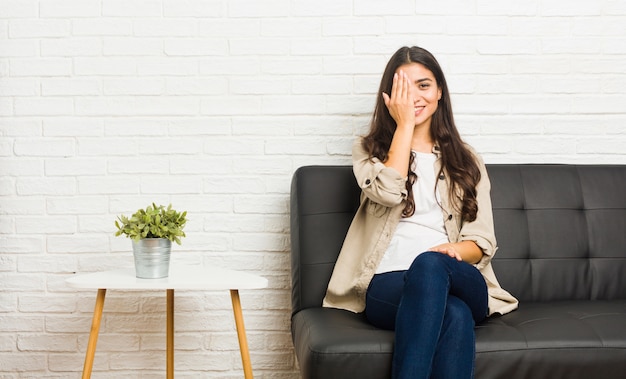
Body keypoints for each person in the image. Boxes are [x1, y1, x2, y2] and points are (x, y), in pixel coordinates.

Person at [322, 46, 519, 379]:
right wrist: (404, 127)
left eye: (424, 85)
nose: (414, 95)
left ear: (440, 91)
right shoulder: (369, 151)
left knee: (429, 264)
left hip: (456, 273)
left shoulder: (467, 159)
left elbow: (482, 240)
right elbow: (386, 192)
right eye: (404, 87)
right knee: (454, 315)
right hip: (388, 282)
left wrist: (453, 251)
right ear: (389, 97)